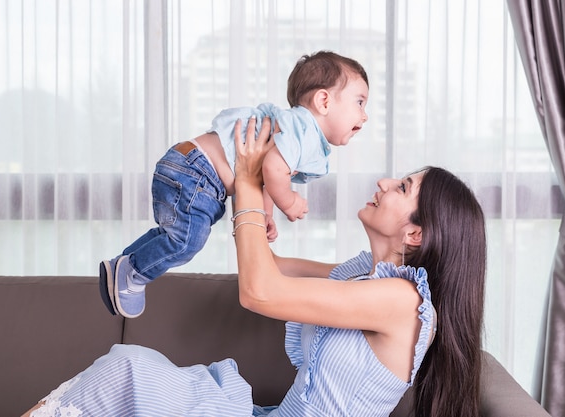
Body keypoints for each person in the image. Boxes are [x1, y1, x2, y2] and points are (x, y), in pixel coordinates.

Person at [24, 116, 486, 417]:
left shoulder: (403, 303)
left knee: (125, 373)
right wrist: (253, 193)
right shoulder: (363, 276)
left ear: (416, 234)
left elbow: (259, 292)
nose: (385, 182)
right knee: (127, 366)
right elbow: (273, 269)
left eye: (402, 187)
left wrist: (248, 181)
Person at [100, 50, 370, 319]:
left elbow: (263, 175)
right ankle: (134, 273)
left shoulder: (293, 128)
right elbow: (273, 168)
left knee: (173, 235)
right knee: (186, 242)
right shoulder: (306, 130)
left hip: (188, 166)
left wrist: (265, 214)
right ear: (323, 101)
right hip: (198, 173)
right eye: (360, 102)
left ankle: (123, 267)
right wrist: (288, 201)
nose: (365, 115)